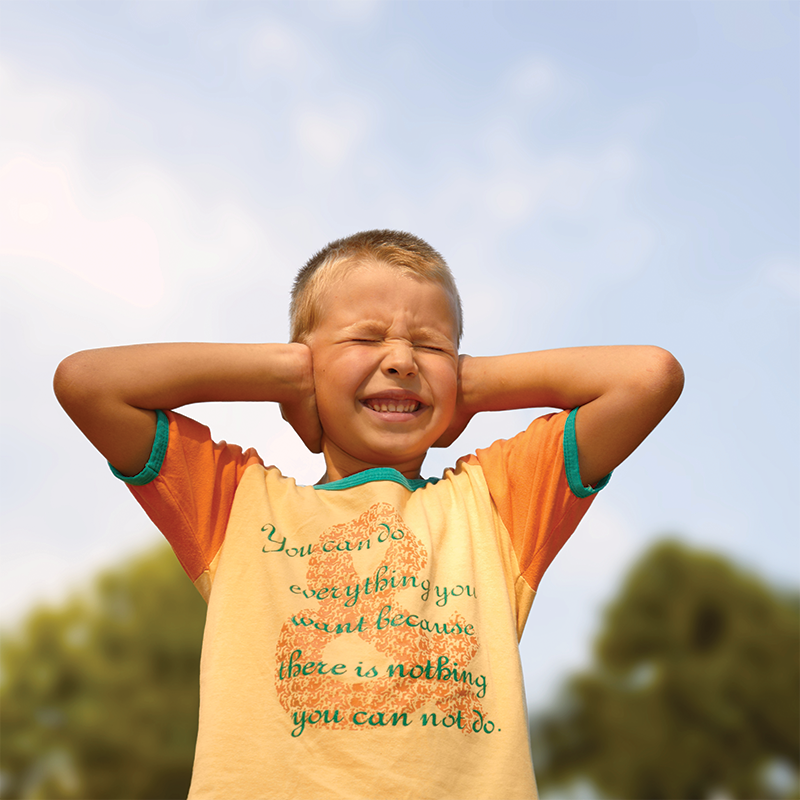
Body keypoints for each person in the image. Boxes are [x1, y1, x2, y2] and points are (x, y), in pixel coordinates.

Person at [54, 229, 684, 799]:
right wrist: (283, 370)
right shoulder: (236, 503)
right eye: (366, 337)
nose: (403, 360)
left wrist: (473, 385)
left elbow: (648, 377)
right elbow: (88, 383)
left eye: (431, 346)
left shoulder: (495, 505)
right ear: (305, 365)